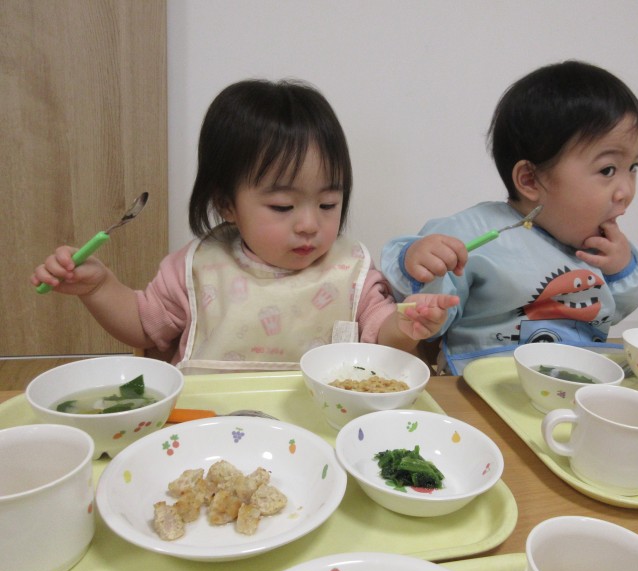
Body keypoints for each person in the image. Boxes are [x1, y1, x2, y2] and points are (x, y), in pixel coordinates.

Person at [32, 79, 458, 372]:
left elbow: (380, 337)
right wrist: (98, 288)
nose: (309, 224)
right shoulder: (199, 268)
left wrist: (406, 326)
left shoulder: (351, 270)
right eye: (282, 206)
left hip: (318, 430)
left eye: (328, 203)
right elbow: (145, 327)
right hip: (208, 427)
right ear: (226, 204)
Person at [381, 61, 638, 375]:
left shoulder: (599, 245)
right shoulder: (475, 230)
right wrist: (421, 263)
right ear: (530, 180)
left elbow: (614, 311)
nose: (626, 191)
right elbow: (427, 312)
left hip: (579, 381)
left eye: (633, 168)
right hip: (485, 385)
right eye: (608, 170)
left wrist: (621, 270)